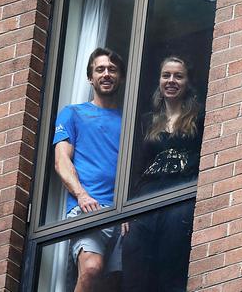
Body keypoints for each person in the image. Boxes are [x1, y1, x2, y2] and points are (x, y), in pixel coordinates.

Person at [122, 56, 205, 292]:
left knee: (171, 261)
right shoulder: (146, 122)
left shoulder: (199, 118)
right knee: (136, 261)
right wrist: (124, 209)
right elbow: (135, 166)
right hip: (146, 197)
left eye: (178, 76)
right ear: (159, 80)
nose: (171, 80)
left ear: (188, 82)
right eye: (166, 75)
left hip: (179, 192)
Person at [53, 47, 126, 292]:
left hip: (122, 213)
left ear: (122, 77)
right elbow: (61, 161)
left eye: (112, 70)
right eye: (100, 69)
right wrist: (82, 195)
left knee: (117, 283)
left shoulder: (129, 120)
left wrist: (130, 208)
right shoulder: (73, 113)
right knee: (92, 268)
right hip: (89, 207)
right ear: (90, 77)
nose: (106, 74)